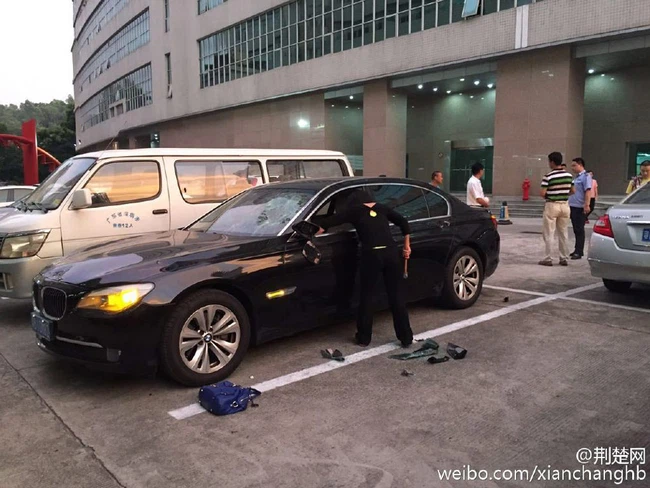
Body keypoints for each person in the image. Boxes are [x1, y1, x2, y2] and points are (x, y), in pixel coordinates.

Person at [317, 190, 413, 347]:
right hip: (391, 253)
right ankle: (406, 337)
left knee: (368, 296)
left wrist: (316, 230)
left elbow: (328, 222)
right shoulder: (382, 208)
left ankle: (364, 338)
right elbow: (404, 223)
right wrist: (406, 247)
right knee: (396, 296)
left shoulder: (354, 211)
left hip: (371, 255)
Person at [539, 152, 574, 267]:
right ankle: (563, 257)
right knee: (563, 232)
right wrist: (563, 194)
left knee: (549, 232)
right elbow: (573, 191)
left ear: (552, 162)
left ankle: (548, 258)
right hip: (565, 205)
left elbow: (542, 193)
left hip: (552, 205)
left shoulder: (548, 176)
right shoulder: (569, 176)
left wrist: (552, 195)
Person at [568, 157, 592, 260]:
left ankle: (579, 251)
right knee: (576, 229)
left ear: (580, 165)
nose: (572, 168)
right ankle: (576, 249)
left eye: (574, 165)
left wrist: (587, 204)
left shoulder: (586, 176)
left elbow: (588, 191)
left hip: (580, 207)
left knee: (579, 229)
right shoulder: (577, 177)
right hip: (573, 206)